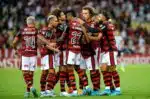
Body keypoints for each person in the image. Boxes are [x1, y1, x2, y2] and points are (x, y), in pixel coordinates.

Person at [12, 16, 58, 98]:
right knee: (31, 74)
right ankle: (28, 91)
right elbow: (41, 41)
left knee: (25, 73)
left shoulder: (22, 31)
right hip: (33, 54)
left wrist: (15, 49)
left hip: (24, 54)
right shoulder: (37, 31)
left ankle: (30, 88)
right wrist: (49, 43)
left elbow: (14, 42)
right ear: (34, 22)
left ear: (27, 22)